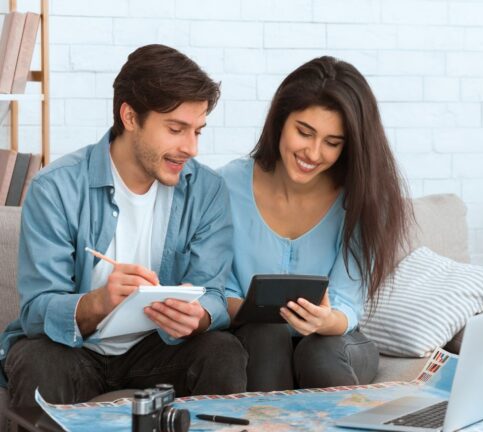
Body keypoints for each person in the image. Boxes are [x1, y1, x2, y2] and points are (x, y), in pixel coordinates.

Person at [0, 44, 247, 407]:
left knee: (222, 351)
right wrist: (98, 302)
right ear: (130, 117)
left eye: (197, 131)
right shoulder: (55, 188)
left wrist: (200, 316)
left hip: (157, 349)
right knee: (38, 362)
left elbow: (213, 293)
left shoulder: (206, 191)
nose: (191, 148)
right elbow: (37, 312)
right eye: (176, 129)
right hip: (74, 350)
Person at [219, 56, 412, 391]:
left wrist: (326, 320)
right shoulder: (225, 186)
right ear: (280, 120)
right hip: (255, 339)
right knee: (266, 334)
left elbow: (347, 304)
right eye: (304, 132)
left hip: (335, 341)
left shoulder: (361, 200)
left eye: (332, 143)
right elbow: (218, 290)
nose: (313, 153)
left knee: (318, 352)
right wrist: (256, 311)